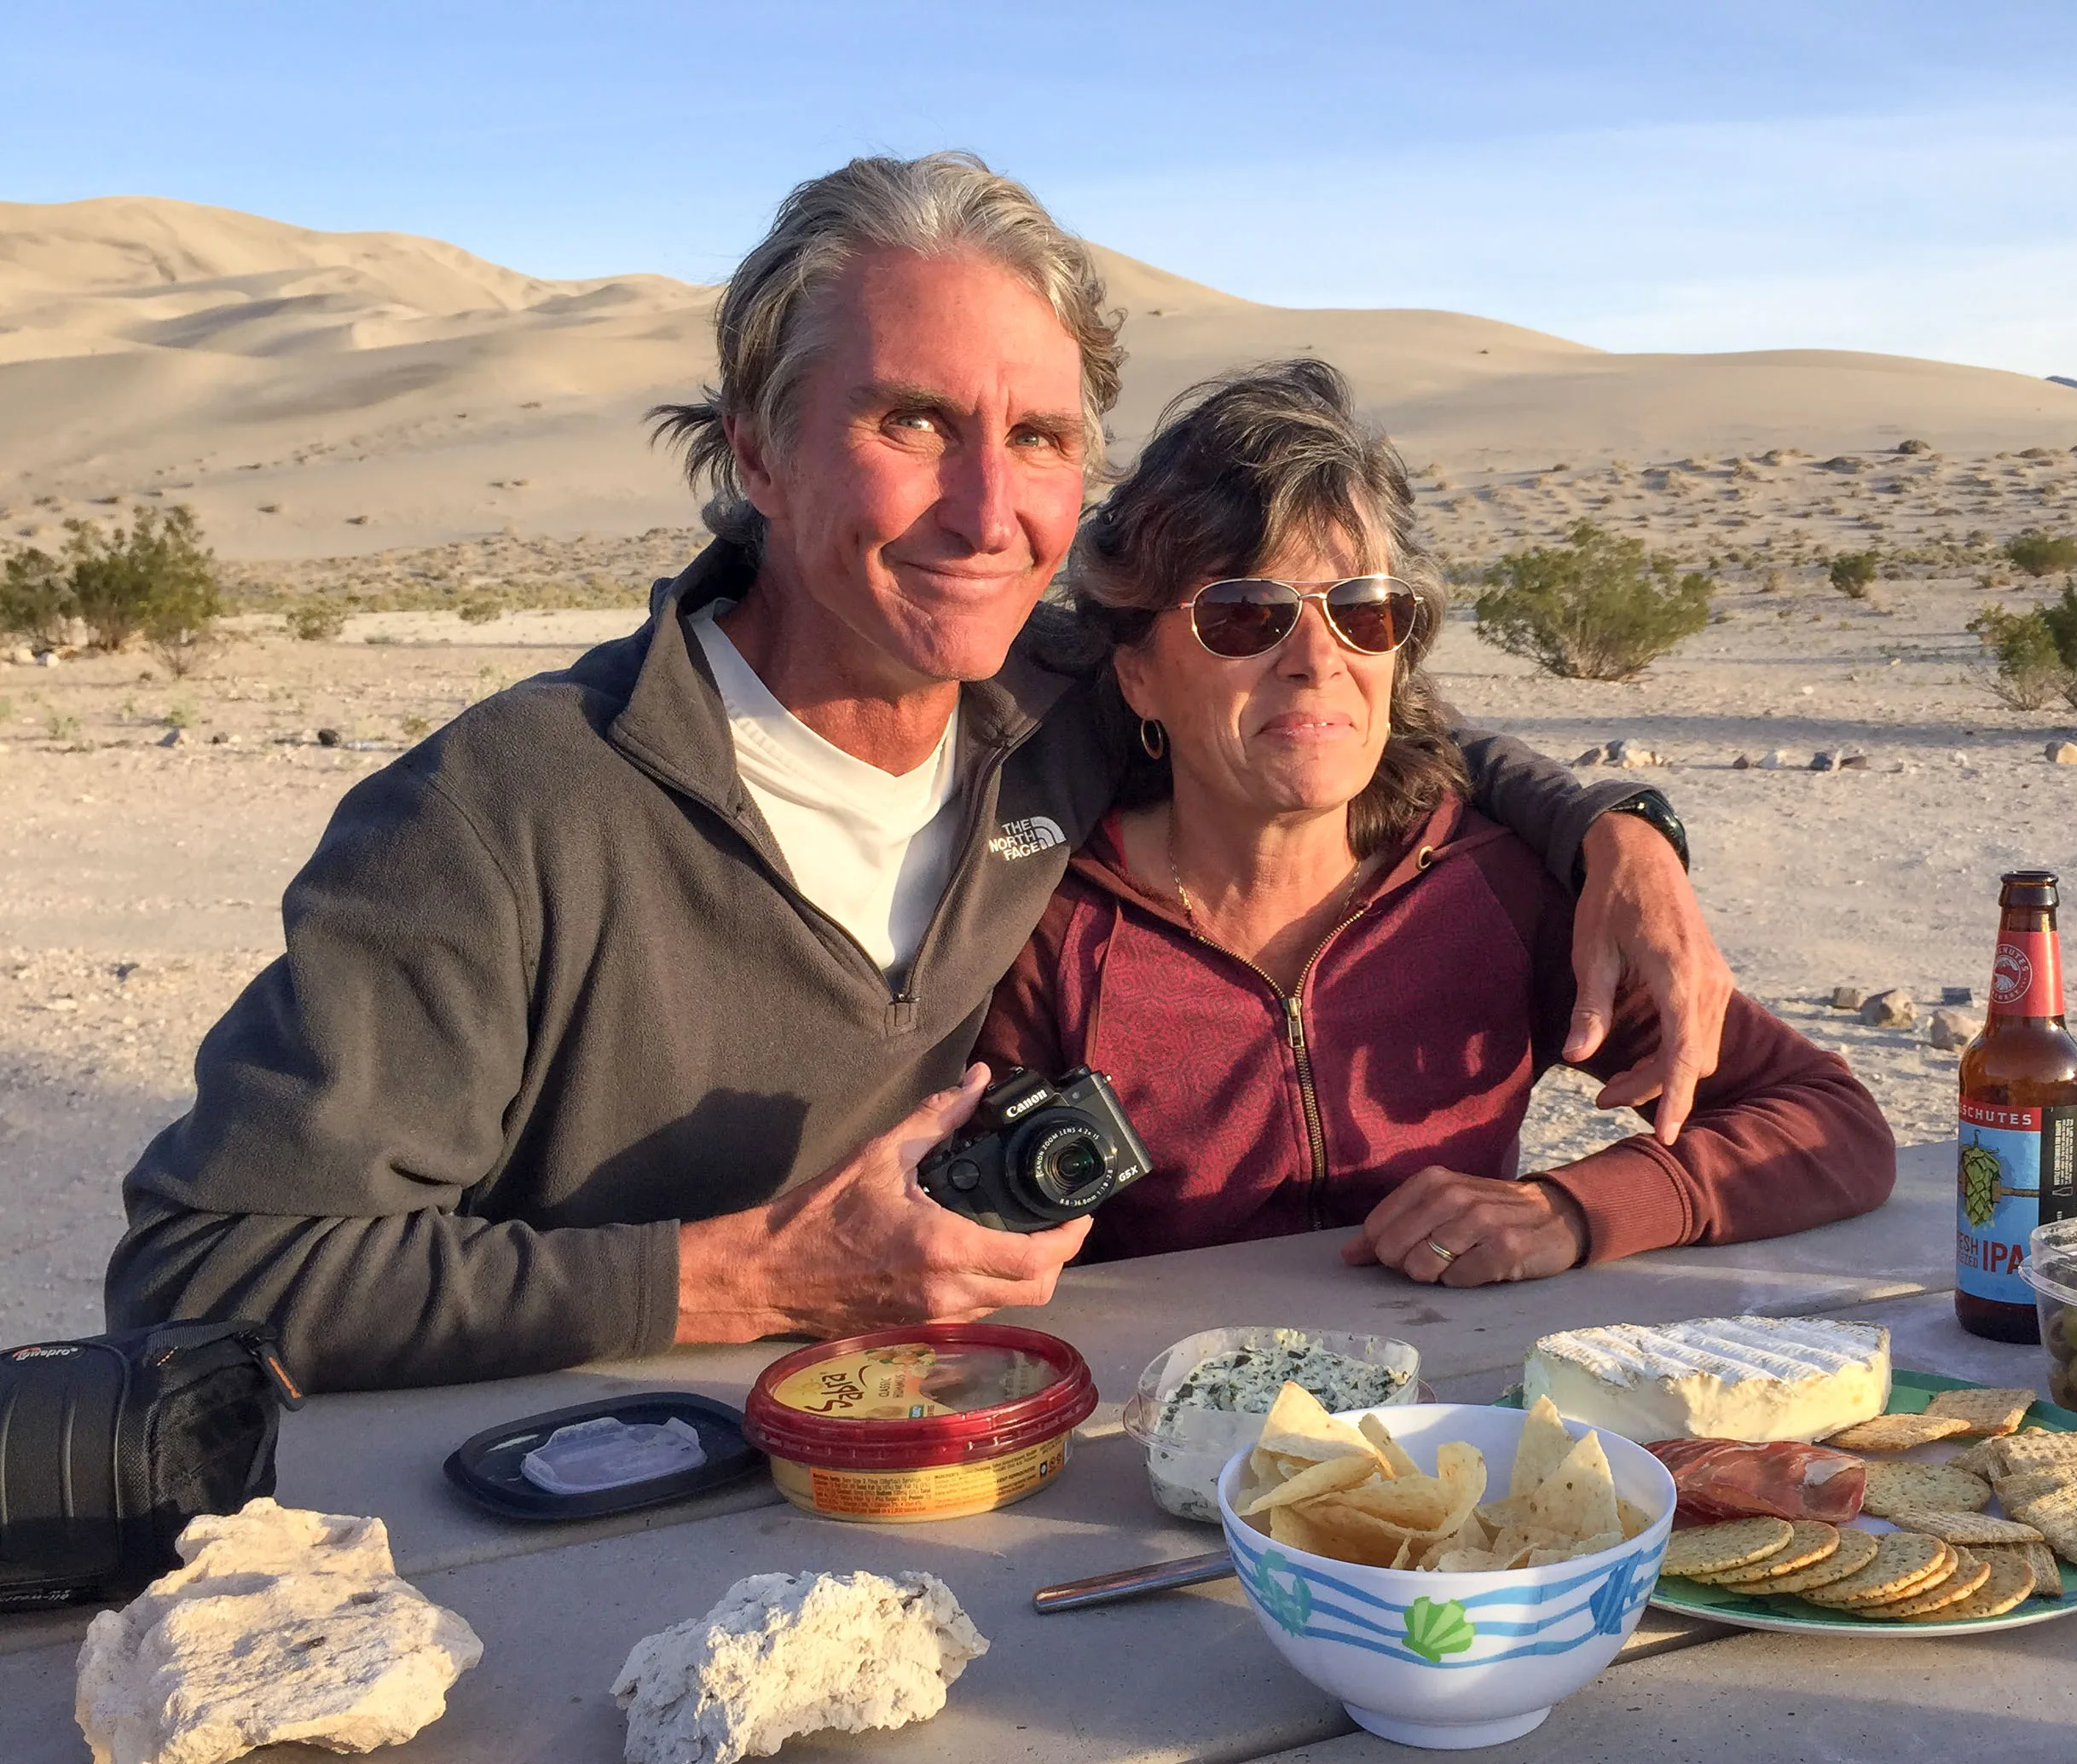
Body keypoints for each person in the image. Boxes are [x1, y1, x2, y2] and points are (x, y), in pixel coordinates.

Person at [103, 154, 1729, 1389]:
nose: (986, 512)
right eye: (910, 423)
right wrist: (741, 1281)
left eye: (1037, 440)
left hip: (945, 1496)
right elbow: (203, 1273)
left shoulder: (1059, 700)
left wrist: (1617, 830)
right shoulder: (512, 813)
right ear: (753, 446)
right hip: (548, 1539)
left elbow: (1337, 707)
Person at [978, 361, 1895, 1281]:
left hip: (1455, 1411)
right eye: (1246, 614)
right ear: (1138, 672)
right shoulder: (1043, 924)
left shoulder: (1494, 891)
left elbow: (1832, 1120)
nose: (1317, 660)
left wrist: (1574, 1208)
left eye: (1362, 613)